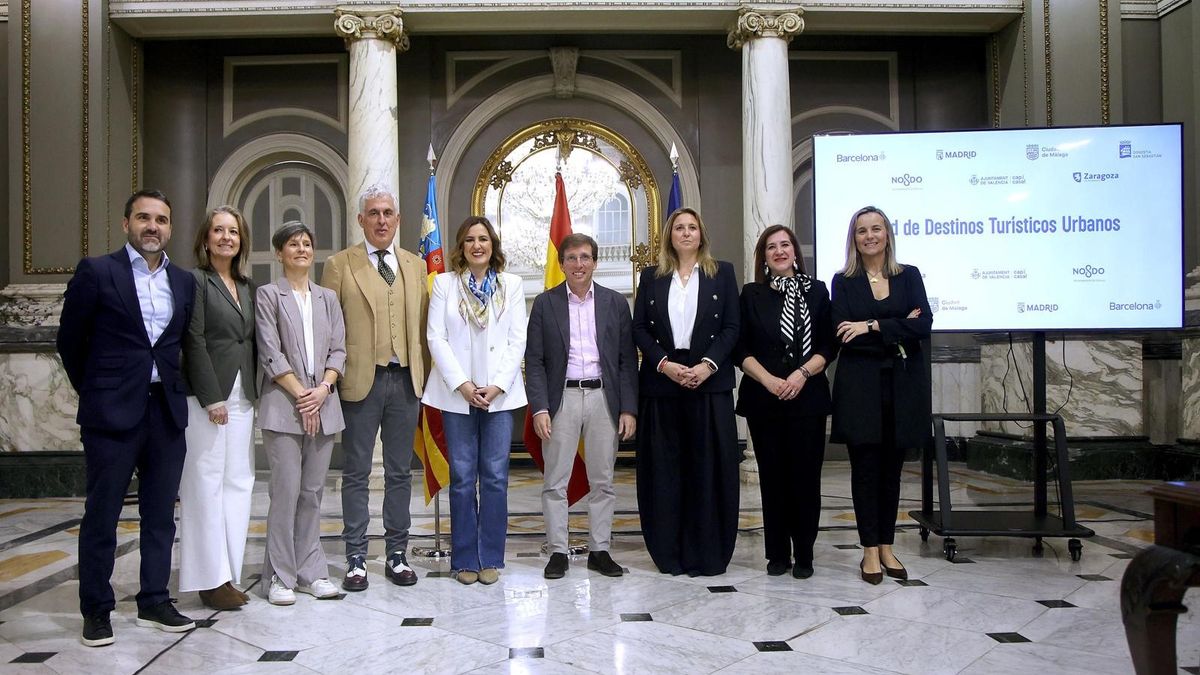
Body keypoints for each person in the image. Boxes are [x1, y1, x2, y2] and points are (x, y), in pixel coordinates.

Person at [57, 189, 197, 647]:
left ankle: (154, 598)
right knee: (103, 514)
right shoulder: (98, 271)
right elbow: (70, 342)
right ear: (126, 224)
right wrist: (99, 390)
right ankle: (96, 610)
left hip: (165, 409)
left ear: (170, 227)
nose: (152, 226)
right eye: (143, 218)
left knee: (161, 515)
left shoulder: (183, 281)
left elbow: (178, 345)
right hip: (111, 412)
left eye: (160, 219)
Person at [321, 184, 429, 591]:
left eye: (388, 213)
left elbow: (423, 328)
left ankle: (397, 553)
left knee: (401, 472)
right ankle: (355, 556)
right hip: (359, 381)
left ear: (397, 220)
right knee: (357, 472)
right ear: (361, 220)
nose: (382, 220)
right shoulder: (339, 265)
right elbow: (328, 326)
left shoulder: (415, 266)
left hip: (405, 381)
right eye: (374, 213)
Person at [632, 207, 740, 577]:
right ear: (669, 235)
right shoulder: (651, 276)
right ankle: (669, 553)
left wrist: (706, 366)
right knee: (666, 472)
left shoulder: (721, 273)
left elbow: (731, 327)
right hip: (664, 383)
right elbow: (640, 329)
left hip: (708, 383)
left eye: (693, 227)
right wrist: (665, 364)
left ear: (702, 234)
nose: (686, 232)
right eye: (679, 227)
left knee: (707, 472)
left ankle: (707, 553)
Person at [525, 233, 638, 580]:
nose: (579, 264)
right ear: (562, 264)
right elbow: (536, 361)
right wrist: (540, 408)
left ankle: (599, 550)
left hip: (604, 398)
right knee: (555, 481)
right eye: (571, 258)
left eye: (585, 257)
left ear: (595, 262)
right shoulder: (545, 304)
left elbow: (625, 360)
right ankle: (558, 551)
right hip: (563, 399)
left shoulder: (615, 303)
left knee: (602, 480)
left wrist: (628, 408)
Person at [830, 206, 932, 585]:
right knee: (866, 471)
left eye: (876, 229)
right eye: (861, 231)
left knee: (892, 473)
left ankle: (888, 545)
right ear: (853, 238)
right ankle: (869, 550)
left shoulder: (910, 276)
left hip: (903, 388)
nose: (869, 235)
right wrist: (896, 328)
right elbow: (843, 333)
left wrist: (870, 325)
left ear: (887, 234)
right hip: (860, 389)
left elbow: (923, 326)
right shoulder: (843, 281)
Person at [422, 216, 526, 585]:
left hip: (499, 396)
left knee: (495, 478)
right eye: (470, 240)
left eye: (483, 239)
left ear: (493, 245)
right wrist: (464, 385)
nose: (477, 245)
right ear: (460, 247)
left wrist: (497, 385)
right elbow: (436, 338)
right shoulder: (445, 286)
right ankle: (464, 557)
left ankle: (490, 558)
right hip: (457, 396)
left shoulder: (511, 285)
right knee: (463, 478)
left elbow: (517, 341)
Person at [735, 225, 837, 580]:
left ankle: (805, 554)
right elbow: (740, 348)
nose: (779, 251)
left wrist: (800, 375)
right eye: (771, 247)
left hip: (808, 397)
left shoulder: (818, 291)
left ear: (796, 251)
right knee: (773, 479)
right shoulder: (750, 294)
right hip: (764, 400)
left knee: (806, 479)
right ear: (763, 257)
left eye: (785, 245)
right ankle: (777, 553)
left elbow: (828, 345)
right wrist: (770, 380)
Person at [255, 221, 346, 605]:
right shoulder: (268, 295)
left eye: (307, 243)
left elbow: (339, 351)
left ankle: (312, 571)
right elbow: (269, 351)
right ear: (280, 253)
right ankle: (279, 575)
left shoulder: (327, 297)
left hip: (324, 405)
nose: (302, 249)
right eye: (293, 244)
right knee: (286, 492)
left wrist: (322, 391)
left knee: (312, 493)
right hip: (283, 406)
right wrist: (302, 396)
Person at [179, 206, 258, 610]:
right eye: (218, 231)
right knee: (204, 485)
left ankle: (229, 572)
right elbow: (193, 341)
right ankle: (208, 579)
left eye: (233, 231)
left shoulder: (245, 285)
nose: (227, 237)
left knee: (238, 483)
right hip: (207, 399)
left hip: (244, 396)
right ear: (206, 238)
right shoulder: (195, 281)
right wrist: (211, 397)